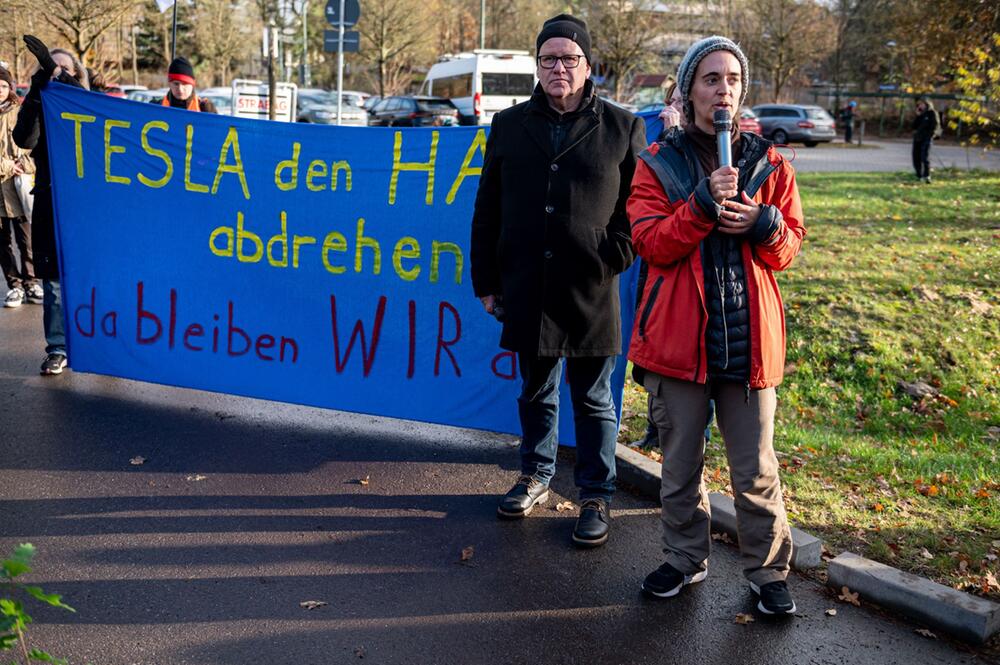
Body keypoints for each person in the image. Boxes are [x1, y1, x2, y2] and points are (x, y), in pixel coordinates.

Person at [627, 36, 806, 614]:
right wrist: (702, 205)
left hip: (750, 344)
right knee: (679, 466)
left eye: (731, 79)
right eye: (710, 79)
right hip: (680, 344)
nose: (722, 89)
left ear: (741, 90)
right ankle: (684, 558)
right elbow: (650, 243)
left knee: (755, 470)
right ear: (688, 90)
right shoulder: (656, 163)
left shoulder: (770, 163)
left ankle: (768, 573)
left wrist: (763, 222)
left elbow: (788, 249)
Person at [470, 14, 645, 548]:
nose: (559, 68)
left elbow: (637, 210)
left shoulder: (622, 127)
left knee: (593, 400)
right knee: (536, 391)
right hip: (527, 283)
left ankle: (595, 495)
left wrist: (609, 254)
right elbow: (488, 207)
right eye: (549, 59)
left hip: (591, 286)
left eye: (570, 59)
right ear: (537, 65)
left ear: (588, 65)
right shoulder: (509, 124)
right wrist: (486, 279)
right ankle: (536, 476)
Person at [13, 36, 89, 375]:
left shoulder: (91, 109)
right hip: (49, 201)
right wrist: (36, 93)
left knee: (94, 277)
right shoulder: (40, 106)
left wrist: (57, 70)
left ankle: (101, 344)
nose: (54, 75)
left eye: (62, 71)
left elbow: (87, 105)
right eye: (47, 70)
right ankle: (57, 347)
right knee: (54, 282)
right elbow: (24, 140)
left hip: (87, 208)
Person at [0, 65, 40, 308]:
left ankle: (31, 281)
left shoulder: (19, 112)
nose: (0, 91)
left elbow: (31, 146)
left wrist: (25, 166)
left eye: (3, 86)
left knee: (27, 239)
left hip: (19, 187)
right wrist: (5, 165)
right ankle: (14, 284)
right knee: (2, 243)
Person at [912, 98, 939, 183]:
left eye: (922, 104)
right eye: (919, 105)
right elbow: (913, 126)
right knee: (916, 157)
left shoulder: (932, 113)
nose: (920, 106)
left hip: (926, 138)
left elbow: (935, 125)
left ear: (927, 104)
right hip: (917, 138)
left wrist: (930, 135)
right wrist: (917, 115)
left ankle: (927, 175)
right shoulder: (920, 114)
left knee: (925, 157)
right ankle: (919, 175)